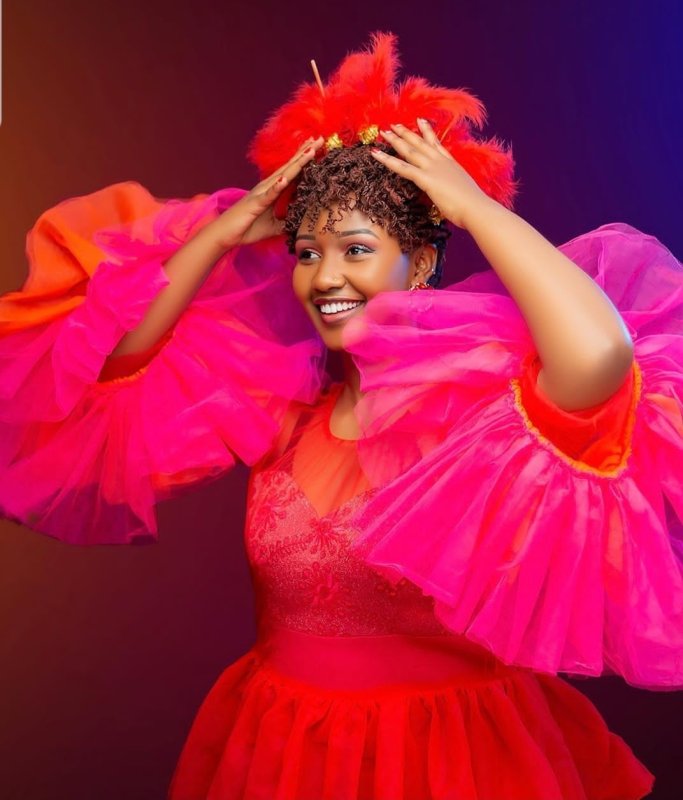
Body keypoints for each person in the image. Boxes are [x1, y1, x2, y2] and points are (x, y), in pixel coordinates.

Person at [1, 31, 681, 799]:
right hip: (282, 754)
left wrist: (470, 207)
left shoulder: (486, 423)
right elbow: (104, 365)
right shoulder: (285, 416)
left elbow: (600, 356)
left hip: (453, 764)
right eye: (306, 252)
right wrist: (222, 233)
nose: (325, 276)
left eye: (355, 250)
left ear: (420, 264)